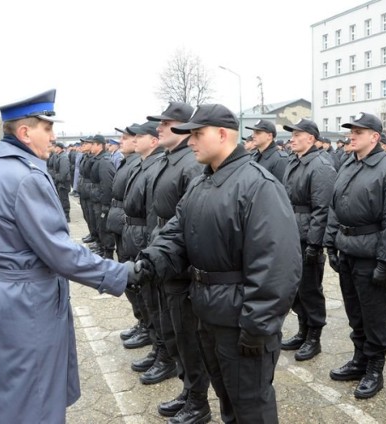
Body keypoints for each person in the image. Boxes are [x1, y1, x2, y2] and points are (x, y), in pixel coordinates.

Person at [0, 89, 139, 423]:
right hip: (27, 303)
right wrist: (120, 273)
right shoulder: (26, 178)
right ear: (24, 132)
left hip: (1, 296)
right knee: (34, 397)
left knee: (7, 392)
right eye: (46, 128)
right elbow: (61, 253)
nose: (54, 135)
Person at [139, 104, 301, 424]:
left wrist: (256, 328)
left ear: (223, 134)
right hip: (209, 314)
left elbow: (276, 267)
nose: (191, 142)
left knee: (251, 407)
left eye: (198, 134)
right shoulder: (203, 183)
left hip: (242, 321)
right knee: (228, 401)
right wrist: (144, 267)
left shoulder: (257, 185)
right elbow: (175, 235)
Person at [324, 112, 386, 400]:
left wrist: (385, 262)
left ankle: (375, 367)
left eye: (358, 132)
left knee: (374, 315)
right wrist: (331, 243)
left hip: (371, 254)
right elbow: (334, 205)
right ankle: (359, 358)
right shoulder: (348, 164)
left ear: (375, 137)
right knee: (354, 311)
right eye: (351, 131)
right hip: (347, 248)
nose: (352, 135)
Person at [146, 102, 210, 423]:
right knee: (176, 332)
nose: (159, 127)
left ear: (183, 127)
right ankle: (188, 389)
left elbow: (193, 223)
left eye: (165, 122)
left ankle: (199, 401)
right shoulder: (171, 160)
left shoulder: (191, 164)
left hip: (182, 266)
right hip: (167, 258)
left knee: (188, 335)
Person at [122, 121, 175, 386]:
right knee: (148, 299)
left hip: (150, 236)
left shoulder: (159, 165)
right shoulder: (144, 163)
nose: (130, 140)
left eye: (137, 136)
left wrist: (151, 245)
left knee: (158, 302)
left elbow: (155, 211)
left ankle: (165, 354)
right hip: (139, 234)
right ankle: (157, 346)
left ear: (152, 141)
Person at [280, 119, 337, 361]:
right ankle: (303, 330)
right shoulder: (294, 161)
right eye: (291, 134)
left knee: (310, 289)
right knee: (295, 289)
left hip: (306, 238)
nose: (291, 138)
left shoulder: (321, 165)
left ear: (311, 139)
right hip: (291, 235)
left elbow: (322, 209)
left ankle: (314, 337)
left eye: (297, 134)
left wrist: (315, 244)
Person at [107, 124, 148, 346]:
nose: (121, 141)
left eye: (126, 138)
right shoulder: (128, 162)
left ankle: (146, 326)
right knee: (129, 280)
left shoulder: (136, 164)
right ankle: (141, 321)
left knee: (137, 281)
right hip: (125, 226)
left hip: (133, 228)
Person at [88, 135, 116, 258]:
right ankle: (103, 249)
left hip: (101, 201)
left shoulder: (104, 161)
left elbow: (107, 184)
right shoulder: (98, 158)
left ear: (99, 145)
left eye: (93, 144)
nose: (91, 146)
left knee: (104, 228)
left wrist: (105, 203)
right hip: (97, 199)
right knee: (100, 227)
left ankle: (108, 253)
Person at [52, 142, 71, 222]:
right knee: (61, 199)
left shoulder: (63, 157)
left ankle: (66, 216)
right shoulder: (59, 156)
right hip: (59, 182)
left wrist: (57, 178)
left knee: (64, 199)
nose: (55, 149)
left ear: (59, 148)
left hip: (63, 183)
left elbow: (64, 172)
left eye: (56, 147)